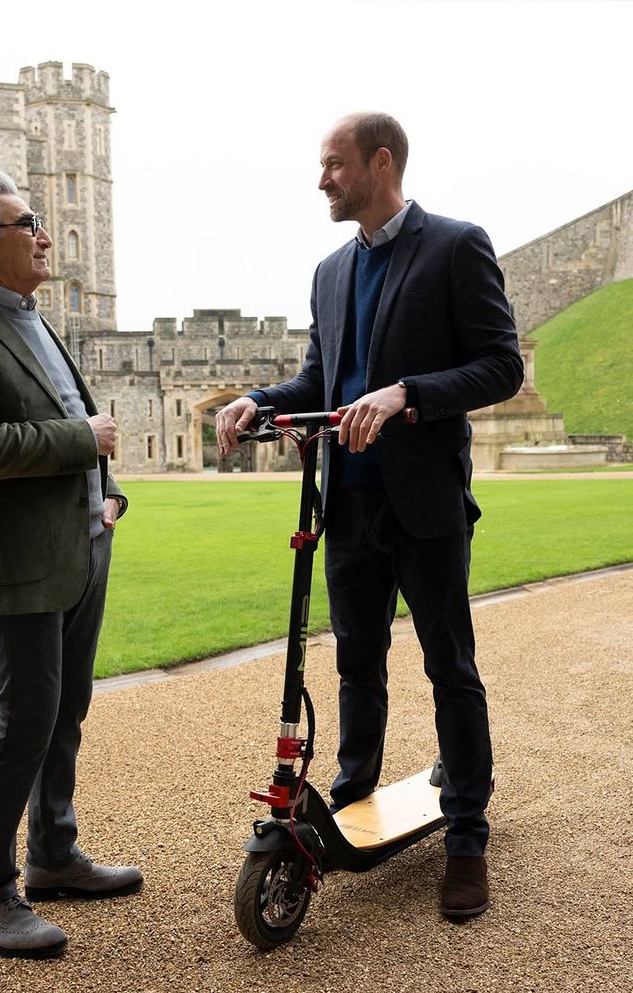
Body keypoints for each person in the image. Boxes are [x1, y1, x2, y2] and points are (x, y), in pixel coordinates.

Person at [216, 113, 523, 919]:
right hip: (344, 503)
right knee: (356, 666)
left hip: (422, 503)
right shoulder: (327, 270)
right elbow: (321, 380)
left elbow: (498, 364)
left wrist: (406, 396)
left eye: (333, 165)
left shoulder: (456, 245)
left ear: (379, 162)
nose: (321, 179)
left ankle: (466, 837)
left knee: (449, 669)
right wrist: (255, 400)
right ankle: (353, 804)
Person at [0, 167, 142, 960]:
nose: (45, 235)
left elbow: (75, 414)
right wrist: (87, 444)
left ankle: (53, 856)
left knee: (66, 711)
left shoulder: (33, 318)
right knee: (23, 725)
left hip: (83, 543)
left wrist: (107, 495)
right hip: (20, 559)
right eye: (27, 223)